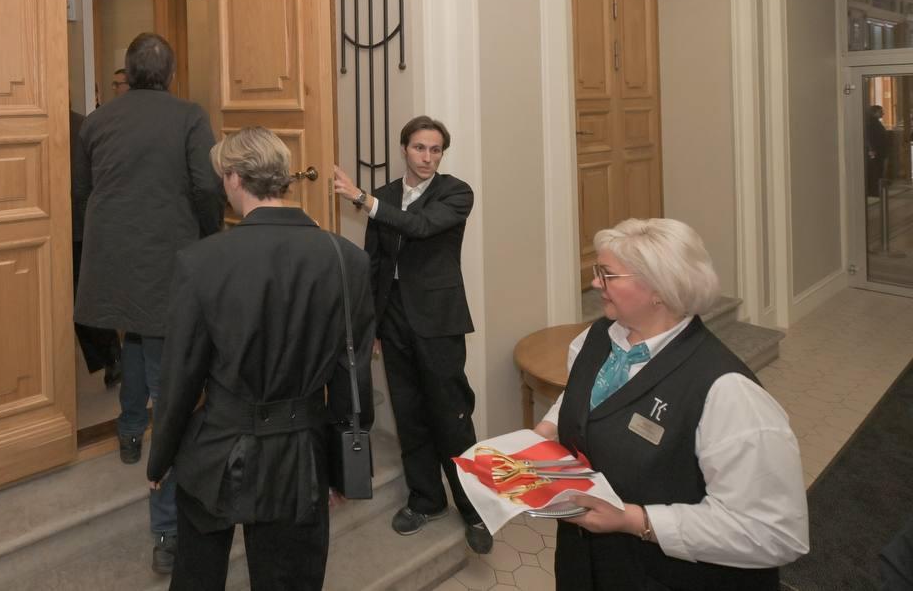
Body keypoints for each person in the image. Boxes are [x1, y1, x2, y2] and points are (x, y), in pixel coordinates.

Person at [148, 127, 376, 591]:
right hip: (301, 454)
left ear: (234, 178)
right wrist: (339, 466)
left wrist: (162, 458)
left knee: (196, 577)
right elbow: (352, 373)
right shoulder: (347, 258)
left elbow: (180, 375)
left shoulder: (201, 261)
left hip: (217, 447)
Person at [534, 218, 809, 590]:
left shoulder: (728, 392)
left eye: (607, 274)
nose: (596, 283)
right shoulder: (595, 338)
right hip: (583, 566)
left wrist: (636, 521)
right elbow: (581, 392)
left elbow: (774, 533)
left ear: (658, 289)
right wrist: (547, 430)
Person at [73, 32, 224, 574]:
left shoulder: (96, 122)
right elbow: (207, 187)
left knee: (134, 337)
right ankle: (166, 530)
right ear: (171, 74)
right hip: (166, 258)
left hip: (114, 258)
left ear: (128, 72)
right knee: (172, 388)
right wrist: (208, 235)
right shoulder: (188, 116)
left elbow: (81, 191)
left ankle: (129, 430)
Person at [333, 115, 494, 555]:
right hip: (394, 317)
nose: (427, 157)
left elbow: (419, 227)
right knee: (409, 412)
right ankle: (426, 499)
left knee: (451, 414)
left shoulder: (456, 193)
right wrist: (372, 325)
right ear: (404, 148)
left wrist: (361, 198)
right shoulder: (386, 195)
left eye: (435, 150)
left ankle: (475, 509)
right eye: (420, 148)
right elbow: (374, 262)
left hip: (439, 320)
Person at [69, 109, 120, 387]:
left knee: (84, 298)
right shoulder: (83, 124)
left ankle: (112, 357)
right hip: (69, 226)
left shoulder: (83, 125)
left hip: (78, 227)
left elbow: (87, 184)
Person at [866, 104, 890, 198]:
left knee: (878, 171)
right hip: (877, 152)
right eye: (880, 112)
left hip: (879, 151)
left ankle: (875, 190)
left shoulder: (875, 123)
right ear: (874, 113)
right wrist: (871, 150)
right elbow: (870, 138)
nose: (883, 113)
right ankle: (874, 191)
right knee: (876, 172)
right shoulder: (872, 124)